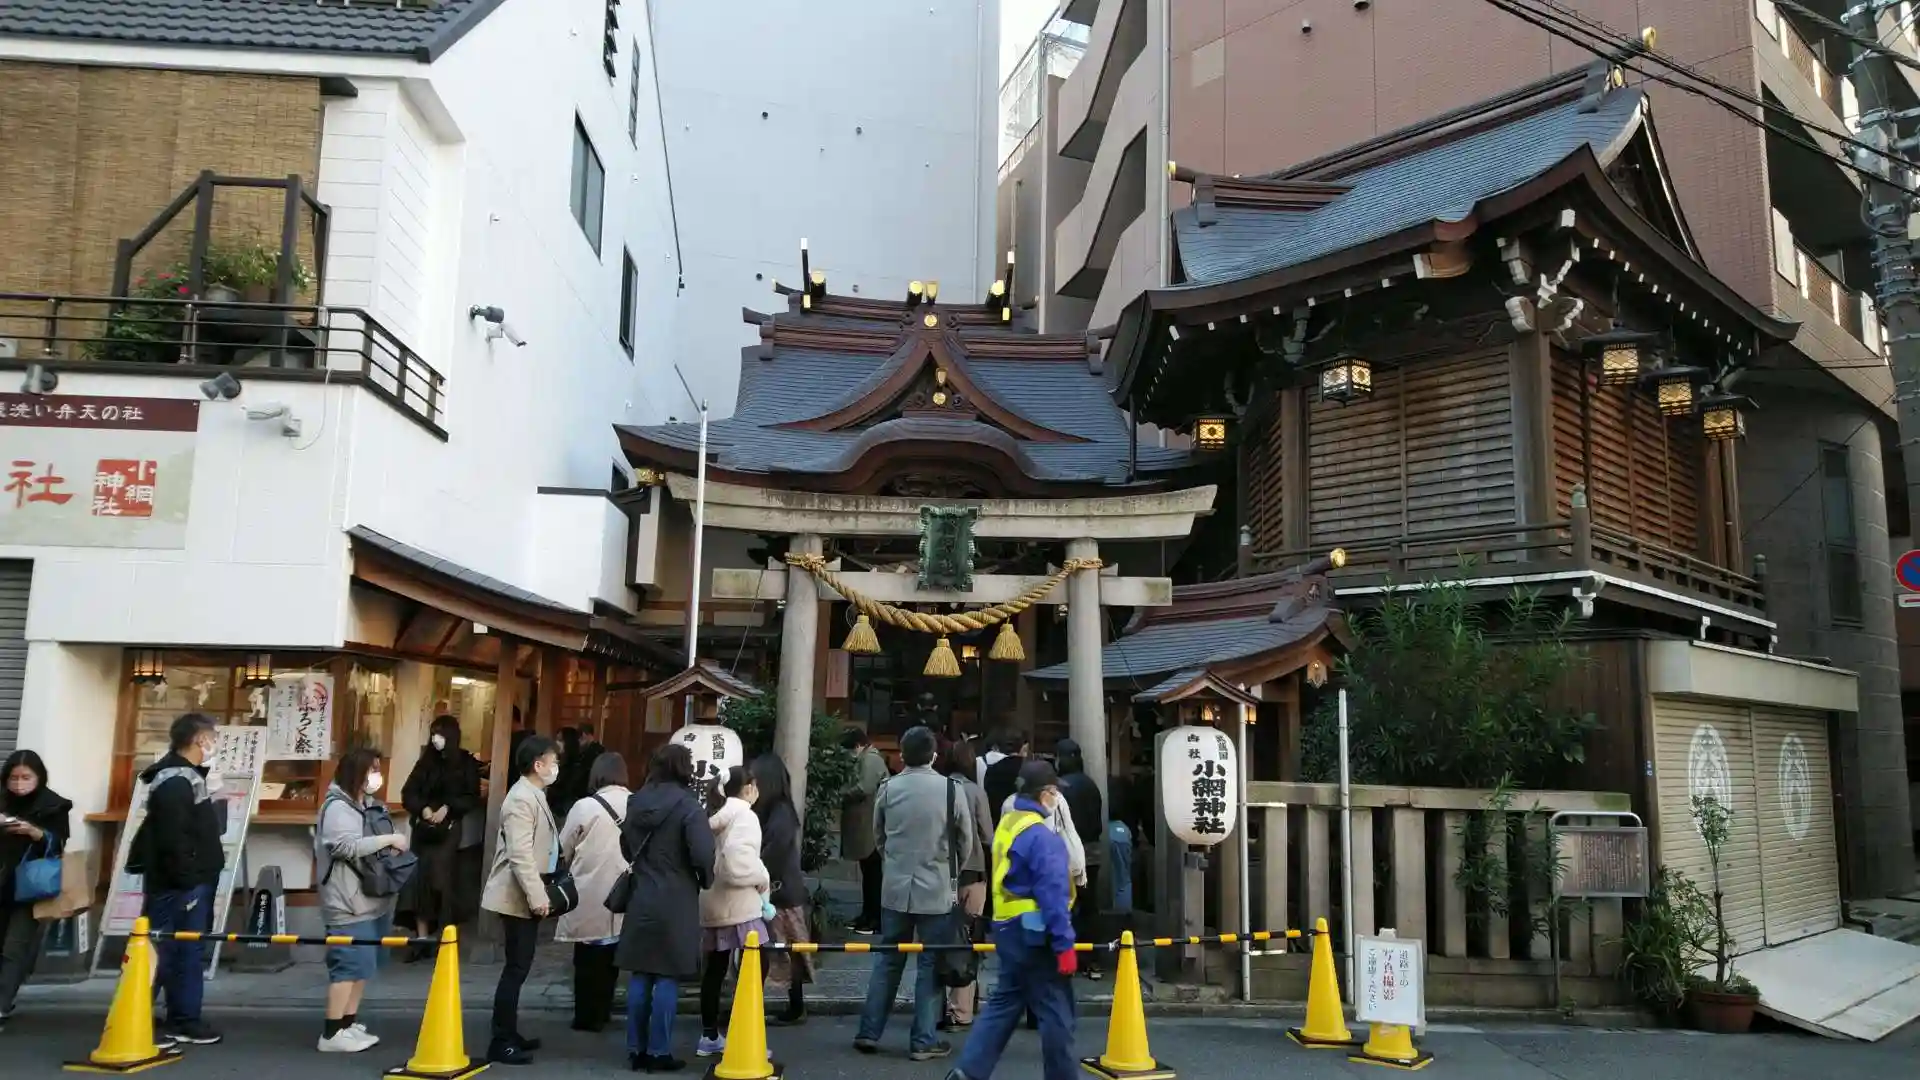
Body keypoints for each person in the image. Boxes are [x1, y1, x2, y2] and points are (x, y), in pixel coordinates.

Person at [946, 760, 1078, 1080]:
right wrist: (1064, 945)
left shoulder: (1009, 825)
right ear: (1045, 794)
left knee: (1003, 1005)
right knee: (1056, 1011)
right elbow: (1052, 895)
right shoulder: (1042, 838)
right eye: (1055, 792)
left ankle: (968, 1072)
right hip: (1037, 933)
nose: (1057, 798)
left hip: (1008, 928)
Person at [853, 725, 972, 1062]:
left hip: (895, 886)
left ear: (902, 755)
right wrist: (949, 869)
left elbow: (879, 836)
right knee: (930, 963)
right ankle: (923, 1040)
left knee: (888, 959)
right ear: (934, 755)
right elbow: (965, 842)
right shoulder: (951, 789)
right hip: (935, 887)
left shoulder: (888, 787)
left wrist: (894, 862)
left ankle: (869, 1031)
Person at [617, 743, 716, 1072]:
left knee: (640, 972)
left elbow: (626, 847)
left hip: (641, 894)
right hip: (676, 899)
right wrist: (705, 878)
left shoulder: (636, 801)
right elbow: (702, 853)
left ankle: (636, 1049)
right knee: (667, 975)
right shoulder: (688, 805)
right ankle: (659, 1052)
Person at [137, 712, 226, 1047]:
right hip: (179, 884)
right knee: (172, 952)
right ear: (200, 739)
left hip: (187, 880)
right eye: (213, 738)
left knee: (176, 950)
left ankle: (172, 1016)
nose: (215, 744)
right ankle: (172, 1020)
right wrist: (190, 881)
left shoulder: (186, 775)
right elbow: (174, 839)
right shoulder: (175, 780)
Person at [315, 748, 407, 1053]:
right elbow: (344, 846)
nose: (377, 776)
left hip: (368, 900)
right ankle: (331, 1033)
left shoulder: (362, 804)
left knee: (363, 967)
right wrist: (388, 840)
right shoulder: (337, 807)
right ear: (356, 773)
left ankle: (347, 1023)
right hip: (347, 902)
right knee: (348, 966)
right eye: (372, 770)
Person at [480, 734, 562, 1066]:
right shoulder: (521, 799)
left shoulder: (533, 794)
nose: (556, 767)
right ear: (537, 765)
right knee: (515, 968)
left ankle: (510, 1033)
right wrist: (537, 895)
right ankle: (501, 1040)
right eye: (553, 761)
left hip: (524, 893)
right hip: (516, 895)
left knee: (519, 965)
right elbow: (520, 855)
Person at [696, 766, 771, 1058]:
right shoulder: (745, 816)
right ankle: (745, 1037)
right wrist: (762, 876)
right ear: (749, 787)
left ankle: (709, 1036)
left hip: (711, 900)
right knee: (755, 969)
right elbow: (738, 862)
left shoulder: (714, 815)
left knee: (714, 971)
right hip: (741, 906)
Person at [557, 752, 632, 1033]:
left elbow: (564, 846)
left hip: (588, 890)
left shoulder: (584, 807)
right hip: (624, 890)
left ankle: (586, 1016)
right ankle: (604, 1010)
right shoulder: (636, 803)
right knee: (612, 954)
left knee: (586, 955)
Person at [399, 716, 482, 962]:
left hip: (448, 830)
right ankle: (421, 938)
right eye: (433, 734)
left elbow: (471, 796)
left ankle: (444, 937)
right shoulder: (426, 760)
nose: (436, 739)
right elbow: (408, 792)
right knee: (419, 883)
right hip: (423, 831)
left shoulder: (465, 763)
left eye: (440, 734)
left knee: (442, 882)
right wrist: (423, 808)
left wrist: (448, 807)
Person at [0, 749, 72, 1024]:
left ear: (38, 777)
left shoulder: (53, 805)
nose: (19, 784)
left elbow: (60, 844)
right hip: (2, 881)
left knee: (14, 947)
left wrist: (36, 833)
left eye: (26, 777)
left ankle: (2, 1003)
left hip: (31, 888)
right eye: (13, 778)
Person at [938, 736, 995, 1031]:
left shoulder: (938, 788)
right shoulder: (975, 791)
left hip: (939, 873)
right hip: (972, 871)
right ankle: (961, 1010)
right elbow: (988, 835)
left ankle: (938, 1006)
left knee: (939, 939)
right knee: (968, 940)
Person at [751, 754, 811, 1027]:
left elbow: (773, 853)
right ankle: (794, 1005)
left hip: (780, 893)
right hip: (779, 891)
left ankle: (794, 1006)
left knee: (786, 950)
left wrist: (753, 871)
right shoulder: (776, 811)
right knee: (785, 950)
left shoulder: (780, 813)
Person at [1053, 739, 1106, 980]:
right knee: (1089, 906)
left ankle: (1067, 960)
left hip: (1066, 853)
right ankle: (1092, 961)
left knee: (1066, 906)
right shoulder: (1091, 785)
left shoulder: (1060, 788)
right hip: (1092, 852)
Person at [840, 727, 888, 935]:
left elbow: (864, 787)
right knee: (868, 874)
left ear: (858, 745)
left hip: (870, 824)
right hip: (866, 822)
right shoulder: (867, 759)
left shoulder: (871, 760)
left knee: (873, 875)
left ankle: (874, 918)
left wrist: (842, 794)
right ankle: (867, 914)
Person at [982, 733, 1027, 825]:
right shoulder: (1028, 770)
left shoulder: (992, 769)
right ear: (1023, 748)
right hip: (1023, 822)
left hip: (996, 821)